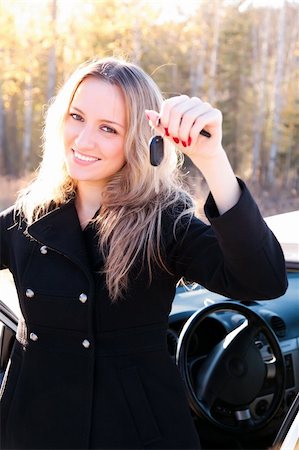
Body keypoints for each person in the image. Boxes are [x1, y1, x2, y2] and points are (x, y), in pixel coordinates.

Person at [0, 57, 287, 450]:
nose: (83, 140)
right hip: (32, 430)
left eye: (108, 128)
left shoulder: (162, 222)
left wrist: (211, 159)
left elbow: (263, 279)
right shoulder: (27, 218)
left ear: (139, 138)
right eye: (76, 116)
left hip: (138, 433)